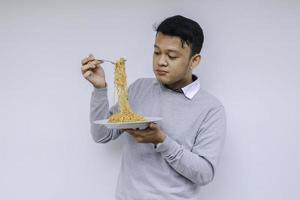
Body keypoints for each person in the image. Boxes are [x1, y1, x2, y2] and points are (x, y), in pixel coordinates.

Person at [81, 15, 226, 200]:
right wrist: (100, 89)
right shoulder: (139, 88)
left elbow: (204, 174)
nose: (161, 62)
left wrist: (162, 141)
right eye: (157, 52)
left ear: (194, 61)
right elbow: (102, 134)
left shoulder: (211, 109)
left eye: (171, 56)